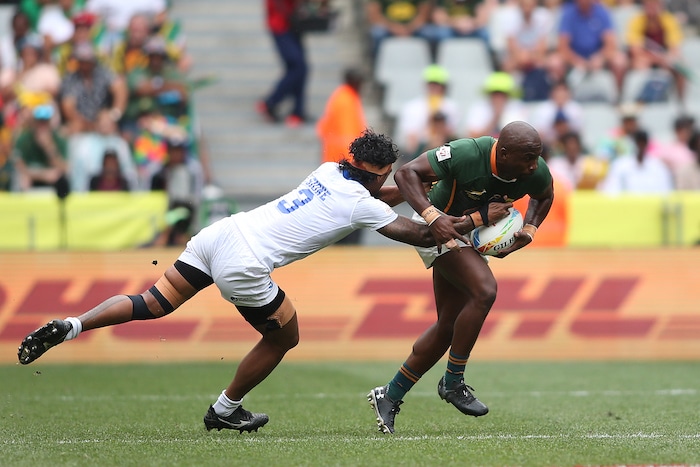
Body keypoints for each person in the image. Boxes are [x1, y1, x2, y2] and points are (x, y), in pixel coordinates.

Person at [17, 130, 481, 433]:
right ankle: (224, 410)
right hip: (246, 261)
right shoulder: (362, 205)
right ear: (376, 171)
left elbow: (379, 195)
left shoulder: (328, 172)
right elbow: (421, 232)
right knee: (286, 336)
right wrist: (480, 216)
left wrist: (414, 184)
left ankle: (73, 324)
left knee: (151, 302)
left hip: (221, 235)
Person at [367, 121, 554, 434]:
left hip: (466, 236)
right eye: (527, 159)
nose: (533, 166)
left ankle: (389, 395)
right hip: (435, 231)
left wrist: (530, 230)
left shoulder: (533, 168)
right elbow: (405, 174)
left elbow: (545, 194)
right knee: (485, 290)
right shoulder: (466, 153)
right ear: (503, 153)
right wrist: (432, 216)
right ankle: (453, 382)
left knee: (447, 328)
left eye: (536, 157)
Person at [557, 0, 628, 97]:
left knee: (620, 61)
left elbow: (611, 44)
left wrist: (600, 58)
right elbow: (563, 47)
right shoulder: (568, 13)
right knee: (555, 63)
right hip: (574, 58)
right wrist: (577, 61)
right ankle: (560, 98)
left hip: (598, 58)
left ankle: (618, 98)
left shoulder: (602, 12)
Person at [257, 0, 309, 127]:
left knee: (300, 67)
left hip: (292, 22)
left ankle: (298, 111)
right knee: (298, 66)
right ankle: (271, 102)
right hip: (281, 24)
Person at [626, 0, 688, 104]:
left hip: (663, 58)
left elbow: (674, 48)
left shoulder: (668, 20)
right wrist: (657, 59)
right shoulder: (636, 20)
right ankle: (637, 101)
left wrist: (666, 58)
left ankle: (681, 103)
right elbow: (635, 50)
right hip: (645, 58)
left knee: (681, 66)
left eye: (655, 4)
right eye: (649, 5)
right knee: (640, 63)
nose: (652, 8)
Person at [395, 64, 460, 161]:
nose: (435, 88)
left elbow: (451, 134)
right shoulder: (412, 107)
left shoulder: (451, 106)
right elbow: (411, 141)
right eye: (431, 84)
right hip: (420, 149)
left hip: (443, 148)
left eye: (438, 84)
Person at [598, 129, 674, 194]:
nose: (641, 145)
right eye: (638, 142)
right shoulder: (620, 165)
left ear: (647, 144)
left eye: (643, 142)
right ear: (634, 143)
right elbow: (611, 192)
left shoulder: (659, 167)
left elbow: (666, 193)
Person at [316, 67, 367, 164]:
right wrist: (353, 161)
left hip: (337, 155)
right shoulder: (346, 100)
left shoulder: (343, 95)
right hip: (341, 157)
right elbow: (347, 135)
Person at [462, 71, 527, 139]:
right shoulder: (479, 108)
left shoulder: (517, 108)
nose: (498, 98)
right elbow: (472, 137)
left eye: (502, 94)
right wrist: (495, 117)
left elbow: (520, 138)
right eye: (495, 93)